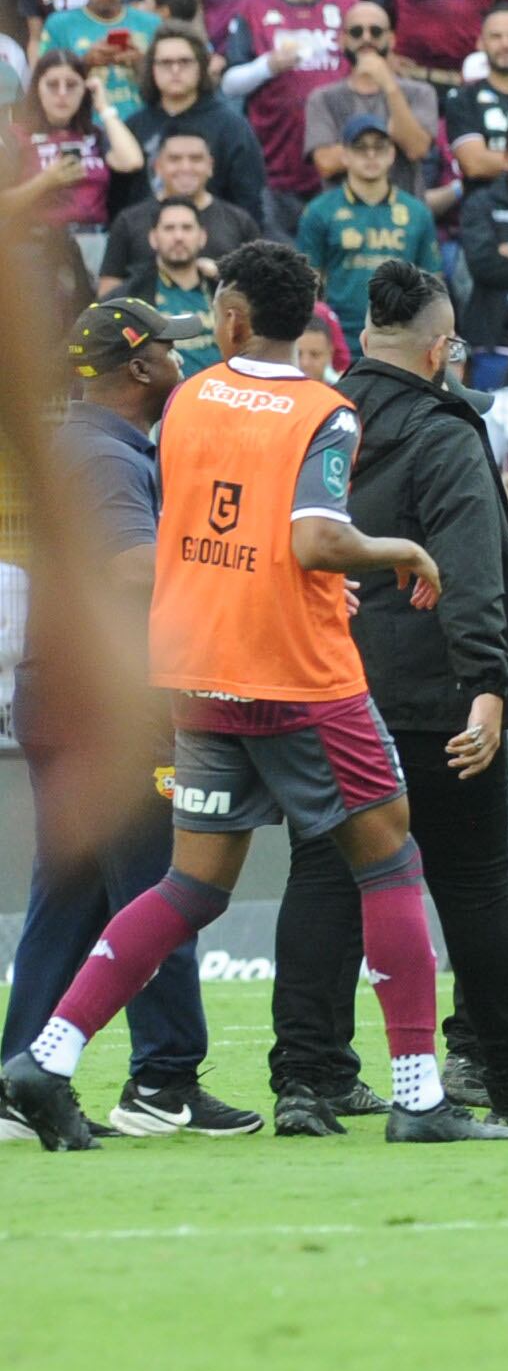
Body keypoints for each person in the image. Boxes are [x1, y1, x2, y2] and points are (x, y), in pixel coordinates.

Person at [0, 242, 508, 1148]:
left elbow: (204, 535)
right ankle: (418, 1097)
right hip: (302, 676)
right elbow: (316, 538)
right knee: (390, 861)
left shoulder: (188, 401)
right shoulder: (327, 411)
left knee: (192, 882)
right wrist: (401, 552)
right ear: (309, 323)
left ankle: (45, 1058)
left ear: (231, 320)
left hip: (198, 675)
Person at [266, 262, 508, 1130]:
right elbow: (469, 573)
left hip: (333, 683)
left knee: (326, 872)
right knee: (477, 877)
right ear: (439, 349)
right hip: (433, 693)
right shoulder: (445, 429)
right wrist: (488, 684)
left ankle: (307, 1078)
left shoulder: (321, 418)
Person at [4, 297, 253, 1138]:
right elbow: (131, 570)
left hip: (63, 695)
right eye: (172, 351)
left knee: (70, 898)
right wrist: (243, 580)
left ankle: (15, 1080)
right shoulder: (107, 456)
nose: (182, 361)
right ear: (139, 367)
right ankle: (163, 1081)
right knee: (163, 885)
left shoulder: (85, 444)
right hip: (104, 707)